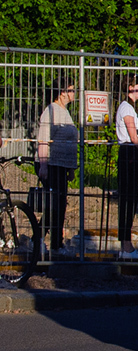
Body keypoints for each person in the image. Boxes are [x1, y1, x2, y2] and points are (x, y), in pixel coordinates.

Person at [36, 75, 78, 255]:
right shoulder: (51, 110)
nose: (74, 93)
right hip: (52, 164)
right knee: (55, 205)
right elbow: (43, 139)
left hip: (62, 165)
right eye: (71, 90)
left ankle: (44, 240)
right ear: (62, 93)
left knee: (59, 204)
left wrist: (70, 169)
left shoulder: (65, 111)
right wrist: (44, 165)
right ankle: (52, 243)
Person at [115, 74, 138, 260]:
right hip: (130, 154)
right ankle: (126, 247)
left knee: (130, 199)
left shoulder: (129, 108)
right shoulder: (127, 108)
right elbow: (134, 138)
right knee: (128, 200)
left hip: (132, 154)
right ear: (130, 88)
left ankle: (126, 245)